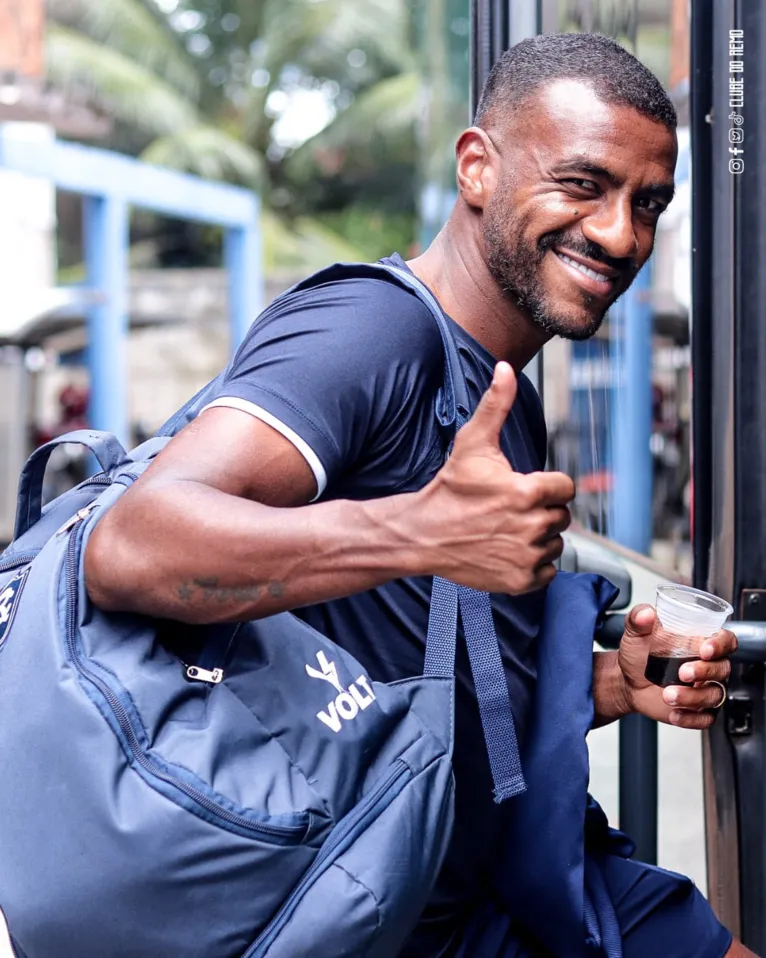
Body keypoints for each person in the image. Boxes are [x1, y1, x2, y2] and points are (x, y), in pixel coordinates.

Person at [84, 32, 750, 958]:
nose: (620, 234)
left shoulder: (500, 387)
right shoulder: (372, 331)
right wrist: (419, 532)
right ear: (478, 167)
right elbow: (132, 544)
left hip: (481, 881)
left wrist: (604, 686)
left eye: (648, 204)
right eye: (583, 184)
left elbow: (408, 658)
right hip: (357, 912)